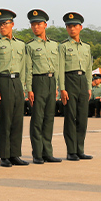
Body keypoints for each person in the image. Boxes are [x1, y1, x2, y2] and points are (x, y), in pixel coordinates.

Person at [0, 9, 29, 167]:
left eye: (4, 23)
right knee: (5, 119)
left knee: (17, 119)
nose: (1, 27)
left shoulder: (21, 44)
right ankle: (4, 155)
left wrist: (25, 85)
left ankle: (15, 154)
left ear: (12, 24)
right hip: (3, 81)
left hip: (17, 82)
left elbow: (24, 66)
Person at [24, 9, 62, 164]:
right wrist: (29, 89)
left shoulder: (55, 45)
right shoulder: (30, 46)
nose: (35, 27)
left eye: (38, 24)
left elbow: (58, 67)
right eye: (33, 24)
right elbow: (28, 69)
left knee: (49, 118)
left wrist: (58, 86)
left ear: (45, 25)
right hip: (37, 82)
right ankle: (37, 153)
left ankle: (48, 152)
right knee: (37, 118)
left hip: (51, 82)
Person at [58, 12, 93, 161]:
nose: (72, 29)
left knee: (82, 118)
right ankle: (71, 151)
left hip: (82, 81)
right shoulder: (63, 46)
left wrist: (89, 86)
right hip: (69, 80)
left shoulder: (86, 47)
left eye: (75, 26)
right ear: (66, 28)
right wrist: (62, 88)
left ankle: (80, 150)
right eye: (69, 26)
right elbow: (59, 68)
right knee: (70, 117)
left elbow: (89, 68)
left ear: (81, 27)